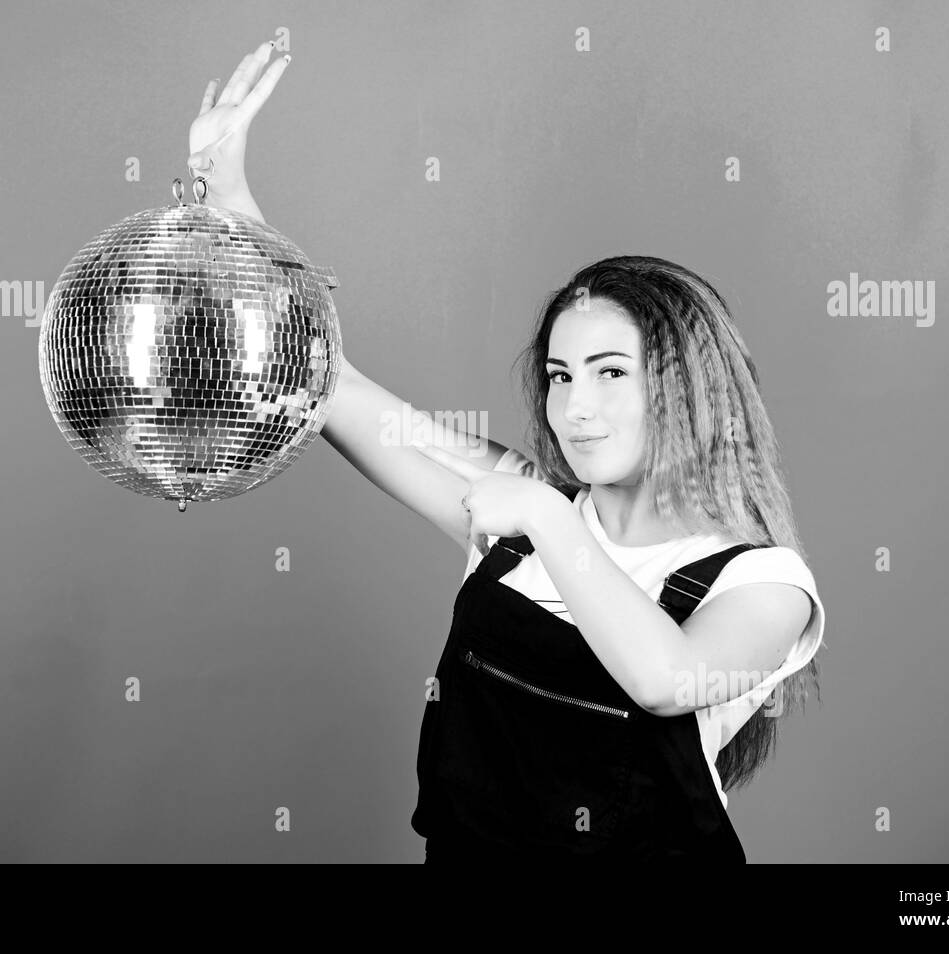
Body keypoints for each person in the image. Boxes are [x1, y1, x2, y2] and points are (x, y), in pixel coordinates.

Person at [188, 41, 826, 863]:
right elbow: (328, 380)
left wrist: (544, 516)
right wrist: (223, 194)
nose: (575, 408)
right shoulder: (518, 502)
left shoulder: (763, 584)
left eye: (609, 373)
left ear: (687, 384)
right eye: (560, 375)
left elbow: (668, 682)